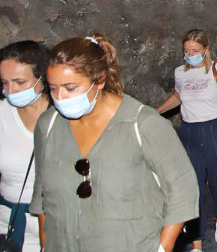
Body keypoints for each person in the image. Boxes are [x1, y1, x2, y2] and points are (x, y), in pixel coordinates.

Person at [30, 34, 198, 252]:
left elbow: (182, 189)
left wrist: (162, 247)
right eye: (53, 88)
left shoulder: (144, 124)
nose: (60, 96)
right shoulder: (48, 125)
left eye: (70, 88)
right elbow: (43, 195)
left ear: (99, 81)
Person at [157, 29, 217, 250]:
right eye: (186, 50)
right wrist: (157, 111)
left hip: (215, 130)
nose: (190, 54)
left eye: (195, 50)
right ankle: (197, 239)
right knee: (193, 188)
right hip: (189, 133)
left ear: (205, 50)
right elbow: (178, 96)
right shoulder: (180, 73)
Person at [0, 41, 51, 252]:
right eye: (5, 82)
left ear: (43, 78)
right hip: (10, 226)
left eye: (19, 82)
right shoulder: (0, 112)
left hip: (56, 228)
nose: (11, 90)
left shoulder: (64, 115)